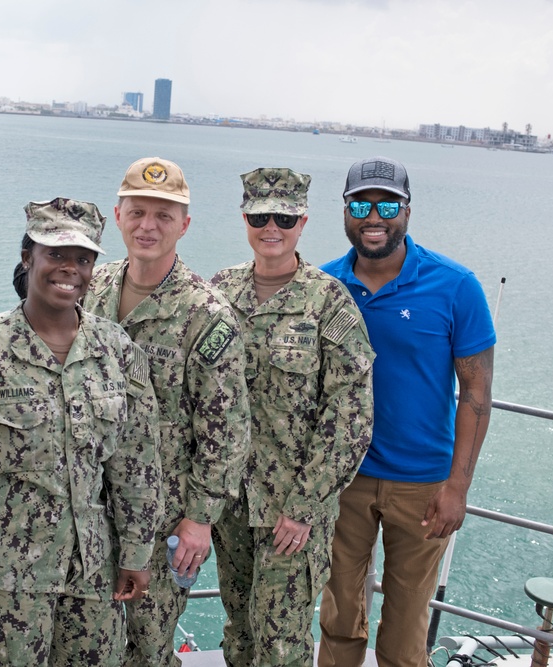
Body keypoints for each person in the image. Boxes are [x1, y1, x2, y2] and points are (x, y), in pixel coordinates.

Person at [0, 197, 162, 666]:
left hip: (93, 576)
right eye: (56, 254)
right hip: (2, 580)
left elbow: (137, 464)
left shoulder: (117, 350)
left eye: (83, 259)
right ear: (28, 258)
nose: (70, 269)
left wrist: (137, 552)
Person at [318, 156, 496, 667]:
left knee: (404, 627)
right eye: (362, 204)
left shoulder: (456, 286)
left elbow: (477, 396)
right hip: (344, 480)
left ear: (408, 211)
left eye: (388, 204)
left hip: (422, 485)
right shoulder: (323, 286)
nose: (375, 216)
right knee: (338, 613)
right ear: (346, 211)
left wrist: (457, 488)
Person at [84, 157, 251, 666]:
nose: (148, 226)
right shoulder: (91, 290)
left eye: (163, 215)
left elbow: (227, 431)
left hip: (161, 522)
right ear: (118, 216)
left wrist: (200, 521)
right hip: (88, 508)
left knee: (147, 648)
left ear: (184, 225)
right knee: (89, 641)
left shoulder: (206, 313)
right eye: (137, 212)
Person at [210, 167, 375, 667]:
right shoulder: (219, 292)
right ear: (245, 219)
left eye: (284, 216)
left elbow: (350, 415)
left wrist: (304, 506)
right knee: (238, 628)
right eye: (260, 216)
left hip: (292, 511)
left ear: (302, 221)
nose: (271, 227)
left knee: (281, 642)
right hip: (232, 504)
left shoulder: (328, 302)